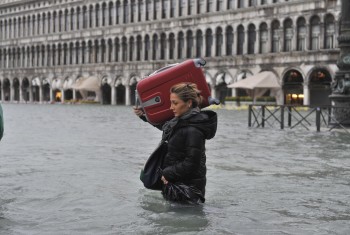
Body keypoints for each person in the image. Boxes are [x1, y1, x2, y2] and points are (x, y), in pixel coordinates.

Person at [134, 82, 217, 203]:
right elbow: (166, 128)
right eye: (171, 102)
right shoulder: (181, 121)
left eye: (175, 103)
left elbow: (192, 163)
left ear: (188, 103)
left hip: (188, 191)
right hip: (177, 186)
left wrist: (167, 173)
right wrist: (144, 116)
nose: (171, 107)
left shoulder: (194, 129)